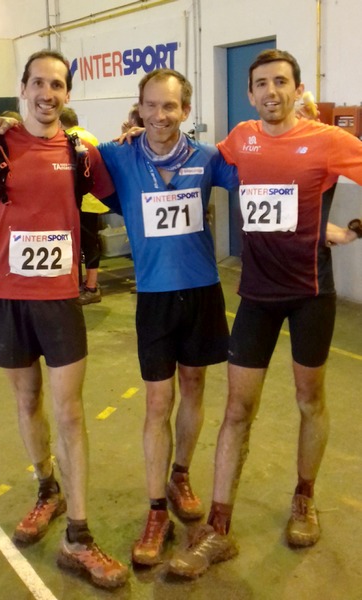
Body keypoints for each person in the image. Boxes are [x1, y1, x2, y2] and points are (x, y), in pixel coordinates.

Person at [0, 50, 128, 589]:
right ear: (22, 88)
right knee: (27, 401)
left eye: (58, 85)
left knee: (69, 412)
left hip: (59, 299)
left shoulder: (80, 152)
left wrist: (142, 141)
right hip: (4, 297)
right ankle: (47, 489)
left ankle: (79, 537)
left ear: (67, 94)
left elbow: (124, 200)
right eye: (39, 83)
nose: (48, 93)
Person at [167, 49, 362, 579]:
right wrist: (142, 136)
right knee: (237, 410)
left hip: (310, 294)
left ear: (297, 89)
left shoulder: (328, 140)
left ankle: (304, 498)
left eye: (281, 81)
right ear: (250, 93)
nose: (271, 91)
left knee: (309, 400)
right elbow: (194, 156)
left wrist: (351, 229)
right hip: (255, 295)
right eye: (261, 84)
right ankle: (219, 528)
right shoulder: (242, 138)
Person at [98, 69, 238, 566]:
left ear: (186, 110)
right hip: (154, 297)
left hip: (202, 290)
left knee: (194, 387)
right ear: (139, 108)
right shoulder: (117, 155)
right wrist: (6, 125)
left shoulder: (208, 158)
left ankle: (181, 475)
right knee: (158, 401)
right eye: (152, 105)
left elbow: (260, 178)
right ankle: (156, 508)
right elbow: (64, 152)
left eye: (171, 106)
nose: (160, 115)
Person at [59, 107, 108, 304]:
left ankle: (91, 287)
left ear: (60, 123)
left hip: (82, 201)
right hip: (94, 200)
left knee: (87, 245)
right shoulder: (89, 136)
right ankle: (89, 283)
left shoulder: (69, 140)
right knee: (90, 243)